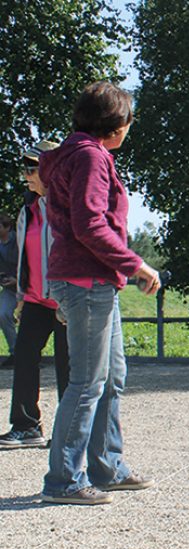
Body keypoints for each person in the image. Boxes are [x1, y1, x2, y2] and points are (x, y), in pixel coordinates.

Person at [38, 81, 163, 505]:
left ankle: (107, 467)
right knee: (88, 383)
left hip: (91, 280)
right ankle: (64, 480)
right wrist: (136, 263)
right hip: (86, 281)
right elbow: (90, 225)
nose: (129, 128)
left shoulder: (75, 155)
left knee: (111, 378)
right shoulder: (91, 157)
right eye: (128, 121)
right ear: (116, 124)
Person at [0, 141, 70, 450]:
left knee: (68, 367)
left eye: (31, 168)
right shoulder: (27, 209)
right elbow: (24, 256)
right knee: (25, 359)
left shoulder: (67, 205)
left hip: (67, 300)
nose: (26, 175)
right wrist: (18, 297)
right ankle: (27, 426)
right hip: (34, 299)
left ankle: (70, 432)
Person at [0, 213, 18, 365]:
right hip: (9, 288)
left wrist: (18, 280)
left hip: (28, 286)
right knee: (3, 314)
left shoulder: (20, 240)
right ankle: (15, 352)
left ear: (7, 227)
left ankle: (31, 355)